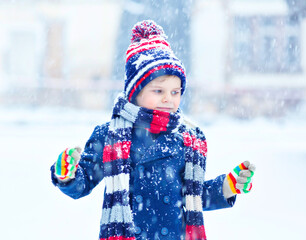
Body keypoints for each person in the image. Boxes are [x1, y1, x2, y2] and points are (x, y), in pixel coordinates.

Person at [50, 20, 256, 240]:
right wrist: (67, 175)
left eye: (175, 92)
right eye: (159, 90)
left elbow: (193, 197)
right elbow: (83, 183)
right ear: (135, 92)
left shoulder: (186, 138)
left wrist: (226, 186)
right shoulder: (110, 135)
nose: (168, 98)